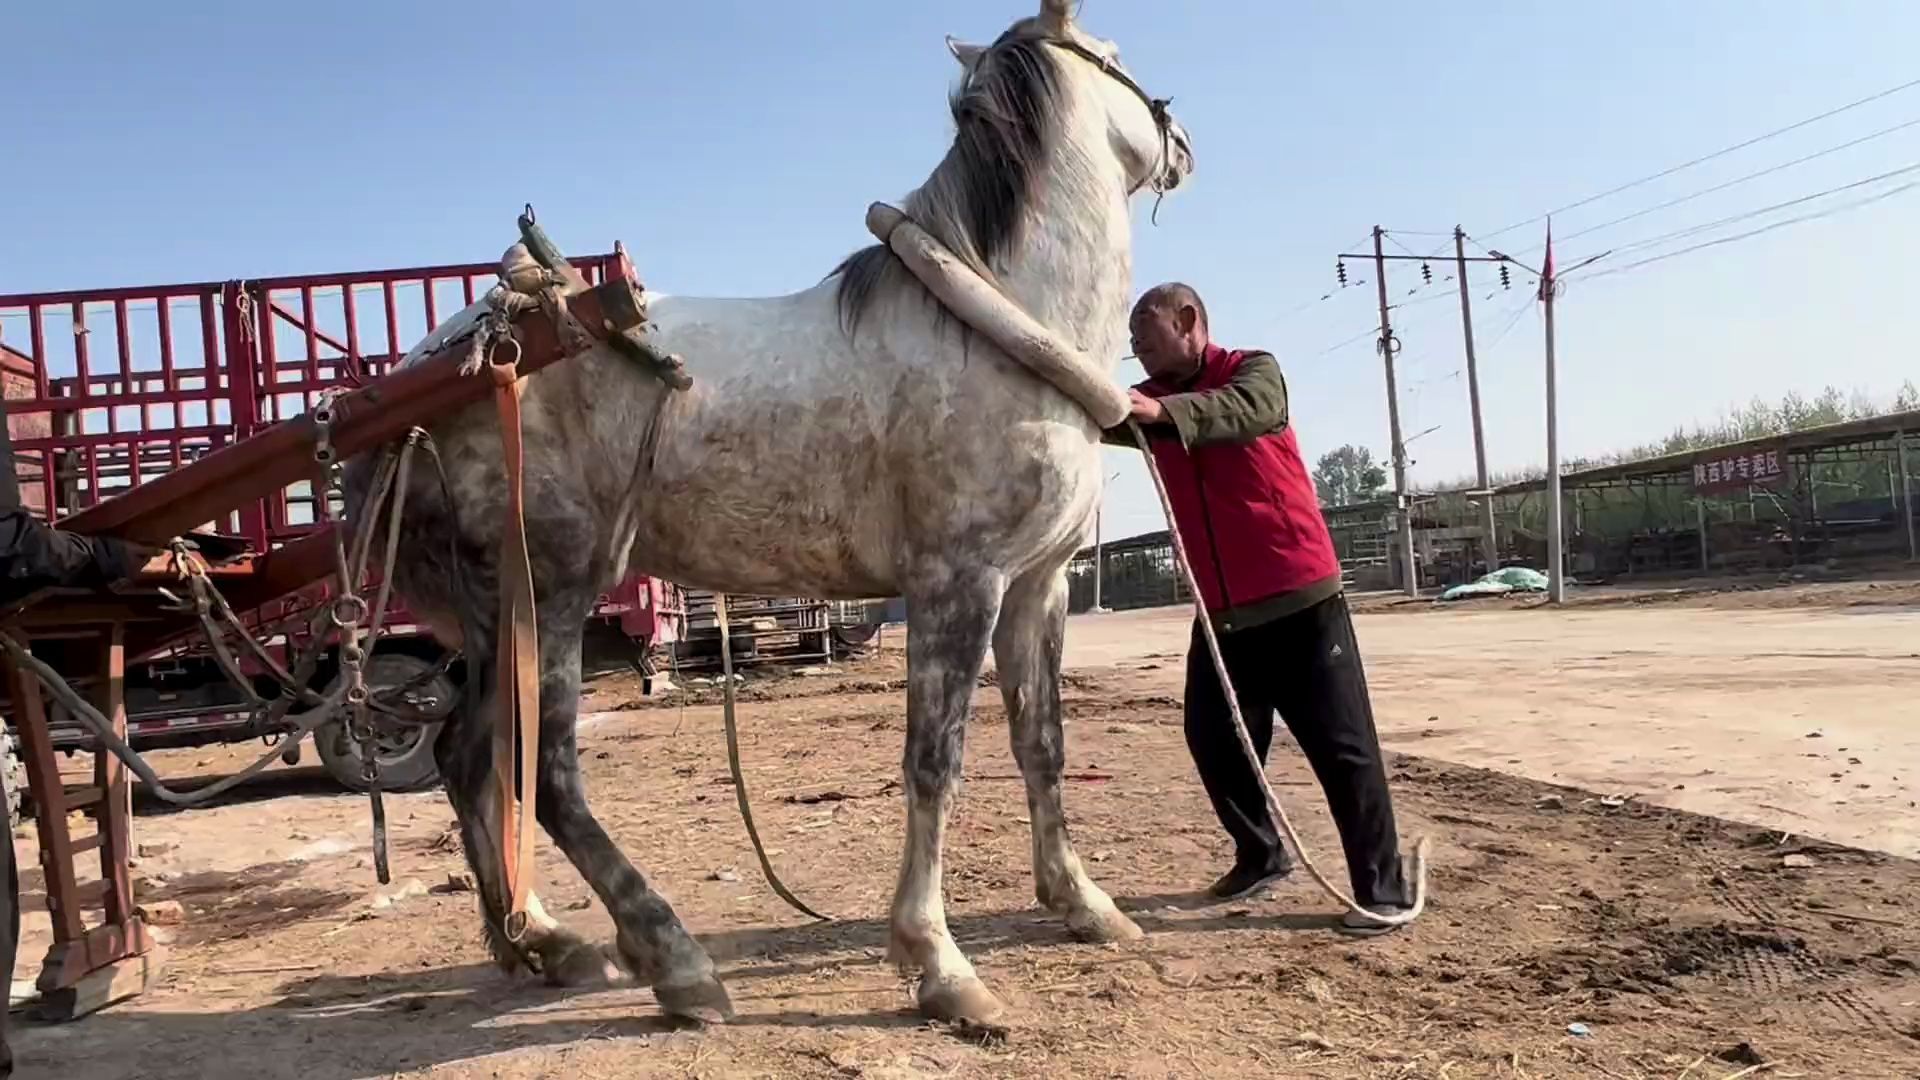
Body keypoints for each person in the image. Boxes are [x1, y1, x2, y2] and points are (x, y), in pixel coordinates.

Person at [1104, 281, 1415, 936]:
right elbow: (1102, 412)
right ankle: (1262, 853)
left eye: (1145, 335)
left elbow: (1241, 410)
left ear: (1189, 321)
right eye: (1131, 344)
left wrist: (1157, 414)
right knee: (1212, 740)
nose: (1136, 351)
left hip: (1301, 601)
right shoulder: (1152, 405)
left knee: (1343, 750)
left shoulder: (1253, 372)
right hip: (1223, 619)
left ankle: (1382, 890)